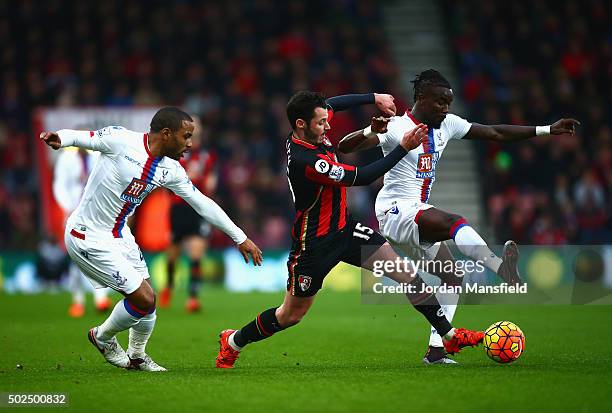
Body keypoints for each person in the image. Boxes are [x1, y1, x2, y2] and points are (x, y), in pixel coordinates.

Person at [215, 91, 484, 369]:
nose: (328, 126)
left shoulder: (312, 127)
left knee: (406, 274)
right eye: (321, 123)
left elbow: (333, 104)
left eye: (325, 120)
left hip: (346, 229)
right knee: (290, 315)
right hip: (314, 244)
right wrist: (402, 148)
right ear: (300, 124)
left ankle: (448, 336)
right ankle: (234, 341)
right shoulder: (306, 161)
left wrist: (374, 97)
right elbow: (361, 177)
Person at [337, 69, 580, 364]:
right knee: (454, 222)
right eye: (440, 102)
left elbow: (494, 132)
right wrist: (370, 131)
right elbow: (343, 147)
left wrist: (546, 130)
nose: (446, 108)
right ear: (421, 98)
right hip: (395, 209)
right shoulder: (396, 126)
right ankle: (500, 267)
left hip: (417, 211)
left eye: (448, 103)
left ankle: (437, 351)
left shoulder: (448, 124)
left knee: (452, 275)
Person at [40, 107, 262, 372]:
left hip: (120, 234)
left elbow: (203, 203)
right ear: (166, 134)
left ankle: (137, 356)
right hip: (87, 234)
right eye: (186, 136)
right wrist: (60, 138)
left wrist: (240, 237)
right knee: (144, 299)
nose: (190, 144)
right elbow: (86, 137)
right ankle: (102, 337)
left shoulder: (171, 169)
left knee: (149, 300)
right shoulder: (121, 140)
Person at [160, 115, 217, 312]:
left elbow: (210, 180)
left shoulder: (206, 156)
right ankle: (168, 287)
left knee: (196, 252)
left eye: (197, 125)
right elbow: (166, 180)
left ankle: (192, 298)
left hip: (198, 208)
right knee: (173, 255)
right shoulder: (175, 154)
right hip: (178, 208)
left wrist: (208, 181)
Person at [53, 146, 112, 317]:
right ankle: (77, 301)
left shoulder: (97, 156)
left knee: (99, 253)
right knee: (76, 259)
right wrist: (68, 207)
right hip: (74, 212)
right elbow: (59, 184)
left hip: (95, 213)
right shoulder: (67, 158)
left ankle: (100, 298)